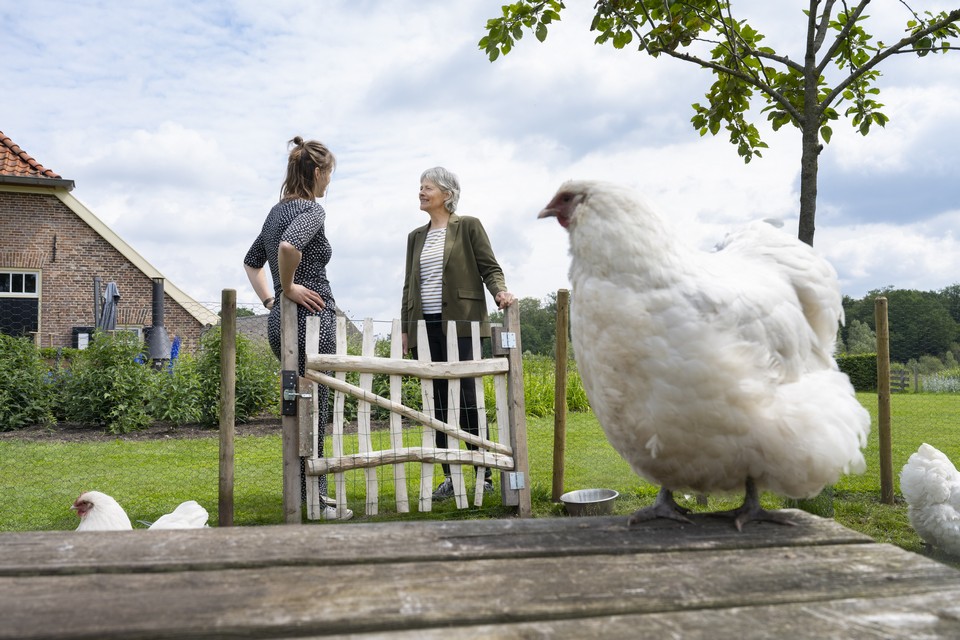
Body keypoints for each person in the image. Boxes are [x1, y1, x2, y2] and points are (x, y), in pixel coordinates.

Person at [243, 136, 351, 521]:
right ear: (317, 172)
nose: (329, 183)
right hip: (311, 319)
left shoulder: (274, 212)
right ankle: (315, 499)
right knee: (315, 408)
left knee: (298, 407)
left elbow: (251, 261)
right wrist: (289, 288)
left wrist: (272, 299)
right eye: (329, 175)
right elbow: (290, 248)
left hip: (280, 323)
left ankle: (303, 491)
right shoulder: (312, 210)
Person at [401, 166, 516, 501]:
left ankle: (485, 473)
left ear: (446, 194)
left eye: (427, 188)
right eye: (420, 187)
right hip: (427, 327)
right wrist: (408, 330)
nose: (421, 193)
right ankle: (450, 476)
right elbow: (410, 286)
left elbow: (488, 267)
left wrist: (500, 292)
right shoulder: (415, 237)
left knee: (467, 400)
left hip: (462, 325)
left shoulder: (468, 226)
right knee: (437, 404)